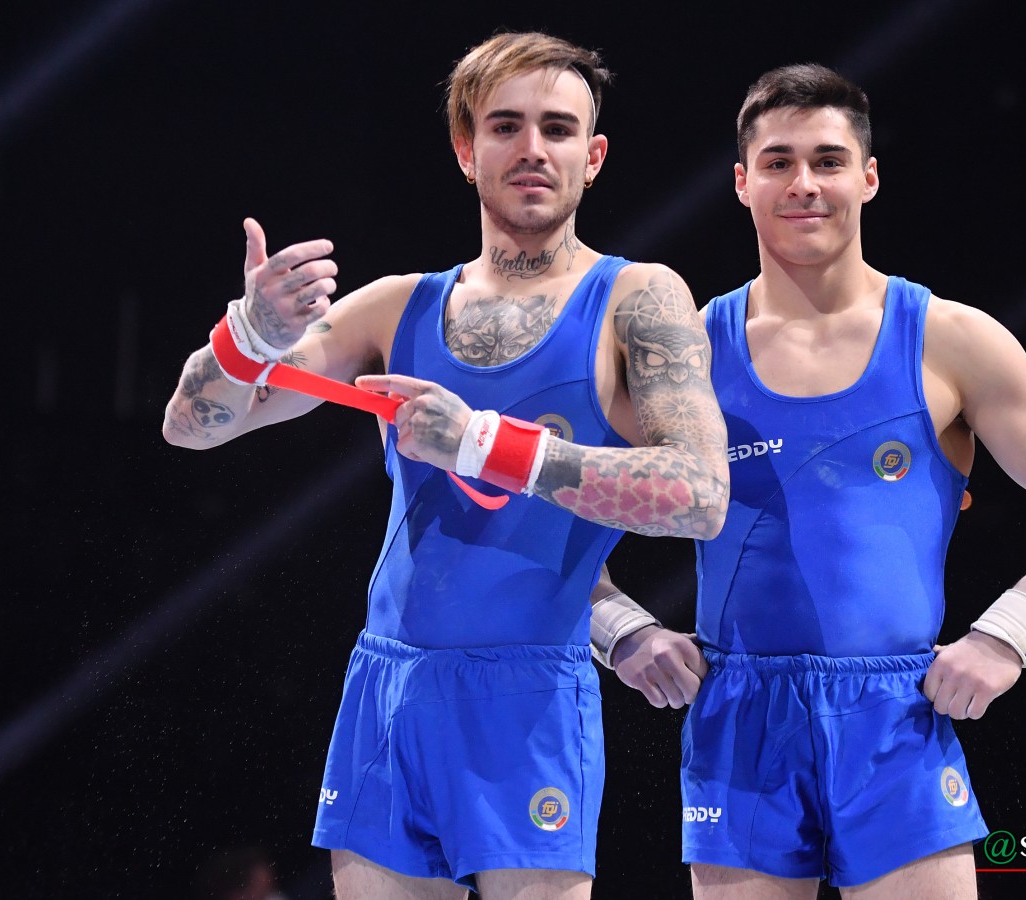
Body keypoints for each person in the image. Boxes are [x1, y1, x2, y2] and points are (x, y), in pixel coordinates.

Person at [160, 31, 729, 900]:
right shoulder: (398, 306)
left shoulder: (637, 298)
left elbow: (699, 495)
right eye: (505, 126)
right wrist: (250, 335)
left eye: (557, 128)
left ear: (593, 156)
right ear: (467, 150)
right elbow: (191, 427)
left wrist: (481, 444)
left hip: (529, 694)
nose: (532, 148)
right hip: (388, 684)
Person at [590, 63, 1026, 898]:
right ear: (742, 183)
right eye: (778, 162)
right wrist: (623, 631)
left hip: (895, 717)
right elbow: (546, 512)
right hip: (740, 718)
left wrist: (1006, 637)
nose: (804, 183)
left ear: (868, 177)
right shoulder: (686, 357)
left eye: (828, 160)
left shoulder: (948, 340)